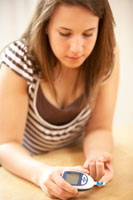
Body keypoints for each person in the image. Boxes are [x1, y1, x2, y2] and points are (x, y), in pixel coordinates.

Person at [0, 0, 119, 199]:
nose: (76, 48)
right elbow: (6, 145)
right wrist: (42, 174)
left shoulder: (106, 56)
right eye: (65, 33)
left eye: (88, 34)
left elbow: (100, 128)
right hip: (26, 164)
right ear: (45, 25)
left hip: (73, 155)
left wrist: (97, 158)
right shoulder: (20, 59)